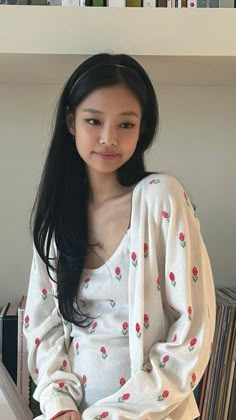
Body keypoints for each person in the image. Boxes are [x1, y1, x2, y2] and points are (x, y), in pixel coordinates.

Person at [24, 53, 216, 420]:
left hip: (156, 413)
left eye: (125, 125)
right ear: (70, 121)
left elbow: (192, 332)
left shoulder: (163, 197)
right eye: (93, 121)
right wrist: (60, 406)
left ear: (142, 128)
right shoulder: (58, 220)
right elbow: (42, 326)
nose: (108, 138)